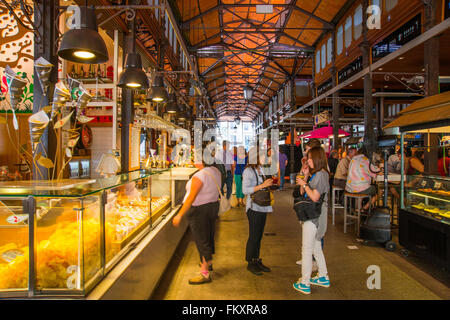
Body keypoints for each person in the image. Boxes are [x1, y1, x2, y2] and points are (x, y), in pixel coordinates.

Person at [172, 153, 222, 285]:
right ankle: (207, 263)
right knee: (209, 236)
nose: (193, 161)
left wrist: (180, 214)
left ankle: (205, 273)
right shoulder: (215, 171)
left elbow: (191, 198)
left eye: (195, 159)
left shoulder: (200, 176)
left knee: (201, 240)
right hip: (212, 207)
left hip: (199, 211)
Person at [292, 147, 330, 295]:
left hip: (313, 217)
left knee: (307, 250)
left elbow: (314, 197)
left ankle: (305, 282)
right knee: (316, 248)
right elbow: (303, 193)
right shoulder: (318, 174)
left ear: (317, 159)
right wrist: (305, 177)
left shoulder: (321, 175)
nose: (307, 160)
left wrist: (304, 183)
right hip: (314, 215)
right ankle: (323, 276)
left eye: (309, 158)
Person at [242, 147, 274, 275]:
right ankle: (250, 262)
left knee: (259, 235)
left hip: (263, 206)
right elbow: (245, 190)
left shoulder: (262, 169)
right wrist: (263, 185)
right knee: (254, 236)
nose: (265, 158)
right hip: (254, 207)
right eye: (262, 156)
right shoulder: (248, 171)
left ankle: (256, 260)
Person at [345, 146, 381, 212]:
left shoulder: (352, 160)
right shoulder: (366, 160)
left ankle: (357, 209)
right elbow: (374, 172)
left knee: (360, 190)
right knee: (378, 192)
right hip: (360, 189)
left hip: (349, 188)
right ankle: (364, 208)